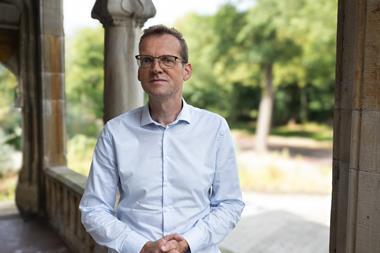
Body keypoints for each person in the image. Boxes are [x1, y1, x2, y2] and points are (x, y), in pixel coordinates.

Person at [79, 24, 244, 253]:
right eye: (146, 60)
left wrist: (188, 243)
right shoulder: (115, 132)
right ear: (138, 72)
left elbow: (229, 203)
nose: (156, 68)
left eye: (168, 59)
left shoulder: (215, 128)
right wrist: (142, 247)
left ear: (186, 70)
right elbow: (93, 209)